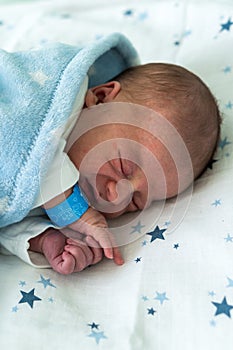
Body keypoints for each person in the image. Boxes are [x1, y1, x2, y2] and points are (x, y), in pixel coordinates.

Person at [0, 62, 221, 275]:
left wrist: (44, 237)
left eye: (135, 202)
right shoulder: (44, 105)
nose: (116, 197)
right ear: (101, 98)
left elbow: (12, 206)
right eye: (123, 166)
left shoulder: (62, 196)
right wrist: (77, 214)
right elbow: (24, 146)